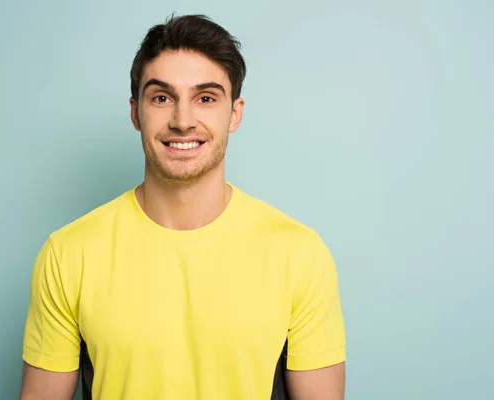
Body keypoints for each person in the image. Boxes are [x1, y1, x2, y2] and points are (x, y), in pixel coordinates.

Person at [19, 14, 346, 400]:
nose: (183, 120)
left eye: (205, 98)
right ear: (135, 112)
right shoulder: (68, 253)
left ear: (235, 113)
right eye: (162, 97)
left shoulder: (300, 254)